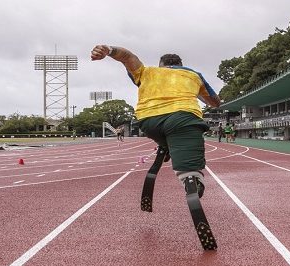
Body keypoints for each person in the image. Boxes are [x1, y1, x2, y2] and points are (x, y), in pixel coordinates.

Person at [91, 44, 220, 196]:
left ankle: (166, 146)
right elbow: (215, 102)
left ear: (161, 65)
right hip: (183, 117)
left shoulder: (148, 71)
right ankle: (191, 178)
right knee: (188, 148)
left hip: (148, 120)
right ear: (181, 65)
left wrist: (108, 50)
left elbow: (128, 57)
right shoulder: (193, 74)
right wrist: (197, 92)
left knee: (165, 132)